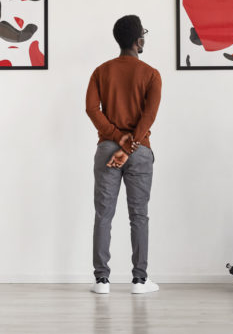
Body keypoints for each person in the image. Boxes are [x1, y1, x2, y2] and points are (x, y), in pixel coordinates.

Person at [86, 15, 162, 294]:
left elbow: (92, 109)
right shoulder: (152, 74)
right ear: (138, 40)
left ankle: (101, 280)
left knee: (103, 214)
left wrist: (117, 139)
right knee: (139, 215)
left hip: (107, 149)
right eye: (144, 35)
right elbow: (149, 116)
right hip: (140, 151)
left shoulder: (101, 71)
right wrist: (129, 146)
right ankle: (140, 280)